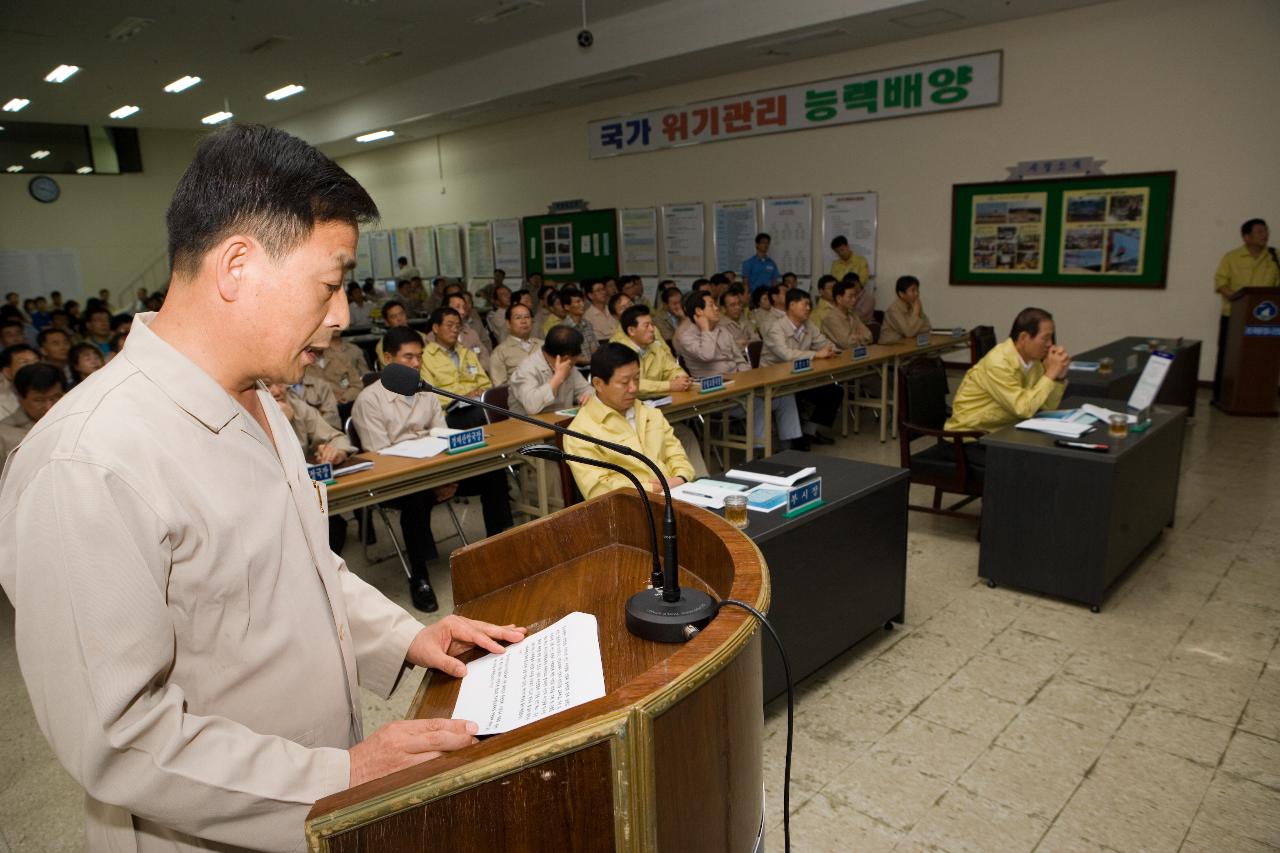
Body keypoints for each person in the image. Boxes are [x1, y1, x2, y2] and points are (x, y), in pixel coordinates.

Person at [0, 125, 525, 853]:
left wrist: (410, 635)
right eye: (331, 282)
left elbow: (306, 570)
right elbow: (118, 737)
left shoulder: (257, 403)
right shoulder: (89, 463)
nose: (343, 314)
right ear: (238, 265)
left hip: (316, 800)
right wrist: (342, 773)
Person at [353, 327, 514, 611]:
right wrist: (432, 479)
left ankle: (500, 550)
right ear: (388, 358)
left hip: (437, 470)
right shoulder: (369, 400)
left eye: (420, 356)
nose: (416, 364)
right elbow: (380, 458)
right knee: (416, 497)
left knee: (493, 474)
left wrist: (447, 476)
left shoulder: (423, 389)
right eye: (408, 357)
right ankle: (419, 576)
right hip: (397, 480)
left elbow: (441, 435)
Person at [564, 343, 696, 499]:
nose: (633, 388)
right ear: (598, 384)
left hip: (677, 494)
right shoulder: (580, 431)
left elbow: (676, 455)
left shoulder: (649, 413)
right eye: (624, 382)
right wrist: (653, 488)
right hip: (630, 509)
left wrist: (680, 478)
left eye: (637, 379)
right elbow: (599, 490)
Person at [674, 291, 802, 449]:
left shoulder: (722, 330)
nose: (716, 308)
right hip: (716, 394)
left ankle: (788, 447)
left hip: (740, 386)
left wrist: (747, 377)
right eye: (711, 305)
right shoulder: (686, 335)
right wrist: (706, 329)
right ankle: (759, 452)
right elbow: (707, 355)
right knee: (757, 403)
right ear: (699, 312)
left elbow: (740, 359)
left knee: (785, 396)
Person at [944, 307, 1071, 465]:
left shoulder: (1034, 362)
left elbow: (1046, 407)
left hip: (1002, 432)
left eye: (1051, 338)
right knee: (1029, 465)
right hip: (968, 439)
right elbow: (1024, 409)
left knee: (1053, 453)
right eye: (1045, 339)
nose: (1050, 344)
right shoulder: (998, 363)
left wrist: (1058, 378)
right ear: (1024, 337)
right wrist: (1050, 374)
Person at [610, 305, 708, 477]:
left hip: (657, 411)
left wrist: (681, 378)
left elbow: (672, 368)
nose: (652, 329)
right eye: (646, 326)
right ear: (631, 330)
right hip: (630, 418)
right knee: (664, 439)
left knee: (686, 435)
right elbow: (634, 385)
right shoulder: (619, 351)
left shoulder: (655, 346)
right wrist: (669, 386)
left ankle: (700, 482)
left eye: (652, 325)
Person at [267, 381, 359, 553]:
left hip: (304, 492)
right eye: (267, 385)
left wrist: (337, 450)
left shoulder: (297, 406)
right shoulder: (243, 413)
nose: (276, 391)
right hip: (271, 500)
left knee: (334, 525)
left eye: (280, 384)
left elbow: (334, 436)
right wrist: (279, 423)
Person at [762, 289, 841, 445]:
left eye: (809, 305)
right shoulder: (776, 328)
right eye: (805, 304)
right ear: (791, 305)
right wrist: (815, 354)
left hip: (801, 375)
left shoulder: (808, 325)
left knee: (834, 391)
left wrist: (831, 349)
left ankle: (809, 431)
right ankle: (794, 440)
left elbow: (824, 342)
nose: (808, 308)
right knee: (793, 395)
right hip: (777, 379)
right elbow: (786, 355)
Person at [1212, 218, 1280, 402]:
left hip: (1266, 320)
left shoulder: (1275, 257)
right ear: (1246, 236)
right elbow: (1221, 283)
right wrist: (1237, 300)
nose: (1265, 235)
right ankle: (1221, 396)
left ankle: (1259, 396)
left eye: (1266, 231)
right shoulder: (1231, 257)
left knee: (1262, 357)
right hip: (1235, 315)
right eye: (1259, 232)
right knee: (1228, 357)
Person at [420, 306, 492, 428]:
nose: (455, 330)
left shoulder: (467, 353)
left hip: (476, 404)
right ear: (436, 328)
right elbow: (428, 396)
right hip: (448, 413)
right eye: (449, 325)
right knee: (483, 414)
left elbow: (485, 383)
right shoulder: (425, 357)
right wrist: (461, 398)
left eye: (458, 326)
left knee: (500, 408)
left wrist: (481, 391)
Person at [509, 325, 593, 416]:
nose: (577, 359)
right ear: (566, 358)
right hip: (526, 426)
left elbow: (586, 390)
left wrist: (588, 396)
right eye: (577, 357)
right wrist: (557, 378)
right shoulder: (526, 369)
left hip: (560, 421)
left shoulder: (568, 366)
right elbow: (532, 407)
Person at [307, 327, 371, 421]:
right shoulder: (301, 366)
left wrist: (345, 397)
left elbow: (357, 385)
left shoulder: (341, 358)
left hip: (347, 406)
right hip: (320, 415)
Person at [488, 303, 542, 386]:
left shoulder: (544, 346)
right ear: (508, 323)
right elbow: (499, 388)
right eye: (518, 318)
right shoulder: (499, 352)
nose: (524, 321)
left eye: (527, 317)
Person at [821, 278, 874, 349]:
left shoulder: (852, 314)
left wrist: (855, 337)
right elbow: (847, 344)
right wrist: (860, 337)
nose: (854, 300)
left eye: (855, 296)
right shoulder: (831, 318)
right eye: (850, 297)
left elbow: (869, 336)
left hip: (854, 355)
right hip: (838, 357)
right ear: (839, 299)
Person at [879, 275, 932, 345]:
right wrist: (916, 312)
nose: (917, 294)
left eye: (917, 290)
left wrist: (917, 312)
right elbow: (909, 332)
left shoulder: (913, 305)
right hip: (890, 347)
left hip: (908, 344)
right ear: (901, 294)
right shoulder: (893, 309)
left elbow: (927, 327)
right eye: (913, 290)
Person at [557, 286, 598, 363]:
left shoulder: (587, 324)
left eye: (583, 301)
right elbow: (565, 356)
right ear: (567, 307)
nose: (582, 304)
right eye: (578, 302)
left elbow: (594, 347)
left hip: (592, 366)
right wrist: (588, 361)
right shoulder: (562, 329)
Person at [0, 344, 40, 419]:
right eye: (24, 363)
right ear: (7, 372)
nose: (34, 367)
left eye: (36, 361)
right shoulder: (2, 404)